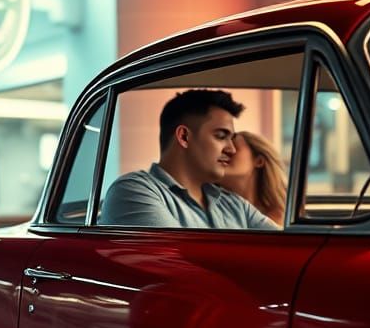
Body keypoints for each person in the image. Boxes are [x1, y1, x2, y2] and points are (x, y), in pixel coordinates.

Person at [99, 89, 275, 230]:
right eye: (221, 136)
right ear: (184, 136)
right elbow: (180, 261)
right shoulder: (133, 192)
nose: (231, 149)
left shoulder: (235, 205)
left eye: (232, 139)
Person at [220, 130, 287, 226]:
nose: (225, 152)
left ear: (259, 161)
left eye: (234, 145)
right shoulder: (210, 209)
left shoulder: (282, 218)